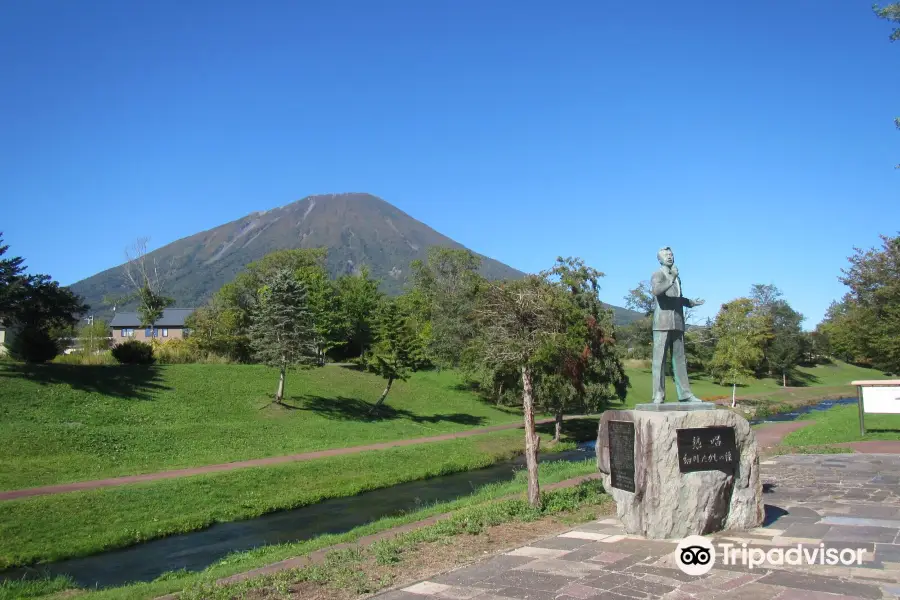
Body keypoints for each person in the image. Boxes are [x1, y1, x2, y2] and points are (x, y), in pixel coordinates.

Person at [651, 246, 705, 403]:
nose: (669, 256)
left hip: (678, 322)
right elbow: (657, 291)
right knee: (659, 360)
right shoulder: (658, 274)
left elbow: (676, 298)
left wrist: (691, 302)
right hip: (662, 323)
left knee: (680, 360)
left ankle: (685, 394)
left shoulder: (676, 277)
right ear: (660, 259)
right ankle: (658, 394)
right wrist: (672, 278)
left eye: (671, 254)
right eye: (666, 255)